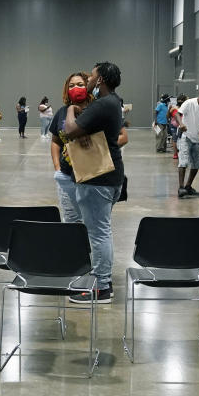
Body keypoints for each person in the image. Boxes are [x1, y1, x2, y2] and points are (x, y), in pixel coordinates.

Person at [58, 62, 125, 304]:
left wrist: (71, 109)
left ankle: (102, 287)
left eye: (91, 77)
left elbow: (69, 130)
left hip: (97, 179)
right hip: (110, 177)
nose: (87, 81)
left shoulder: (103, 104)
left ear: (100, 81)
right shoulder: (114, 102)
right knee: (101, 230)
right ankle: (103, 281)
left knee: (98, 233)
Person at [50, 72, 91, 223]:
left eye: (80, 85)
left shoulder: (97, 109)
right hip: (67, 176)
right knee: (71, 219)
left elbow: (120, 137)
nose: (76, 88)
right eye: (72, 86)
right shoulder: (62, 112)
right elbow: (55, 141)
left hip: (91, 177)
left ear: (88, 86)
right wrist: (57, 167)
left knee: (92, 221)